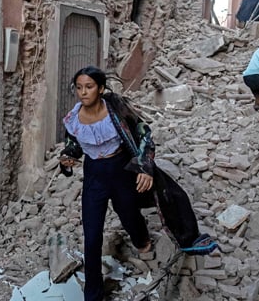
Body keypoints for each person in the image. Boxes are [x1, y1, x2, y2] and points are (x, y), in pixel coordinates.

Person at [59, 66, 217, 301]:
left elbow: (144, 135)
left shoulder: (117, 111)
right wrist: (68, 157)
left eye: (89, 87)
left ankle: (141, 239)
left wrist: (144, 168)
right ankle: (92, 295)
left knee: (128, 212)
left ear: (101, 89)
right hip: (95, 175)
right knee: (92, 236)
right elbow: (74, 144)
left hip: (121, 169)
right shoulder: (73, 119)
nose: (83, 92)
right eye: (79, 87)